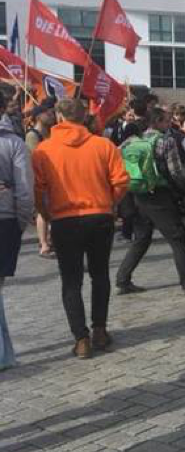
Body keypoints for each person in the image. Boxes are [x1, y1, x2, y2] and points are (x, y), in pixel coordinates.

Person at [32, 98, 129, 358]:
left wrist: (46, 215)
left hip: (64, 219)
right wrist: (109, 203)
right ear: (84, 116)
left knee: (71, 281)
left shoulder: (44, 150)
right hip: (99, 216)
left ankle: (81, 338)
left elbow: (38, 190)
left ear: (59, 117)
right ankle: (100, 329)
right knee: (100, 274)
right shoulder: (103, 145)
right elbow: (121, 181)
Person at [115, 108, 185, 295]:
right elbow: (176, 172)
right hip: (159, 196)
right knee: (177, 236)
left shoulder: (130, 141)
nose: (169, 124)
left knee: (141, 238)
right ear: (157, 122)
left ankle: (122, 279)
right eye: (166, 121)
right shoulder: (166, 141)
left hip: (136, 194)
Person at [0, 90, 33, 370]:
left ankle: (4, 353)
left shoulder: (14, 142)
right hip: (6, 220)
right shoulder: (14, 143)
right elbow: (24, 192)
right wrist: (20, 223)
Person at [24, 101, 56, 258]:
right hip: (40, 178)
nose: (51, 116)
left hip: (52, 177)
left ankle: (50, 240)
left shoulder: (50, 133)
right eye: (47, 113)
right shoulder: (32, 135)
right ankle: (43, 245)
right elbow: (35, 157)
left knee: (51, 209)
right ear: (38, 117)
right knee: (42, 212)